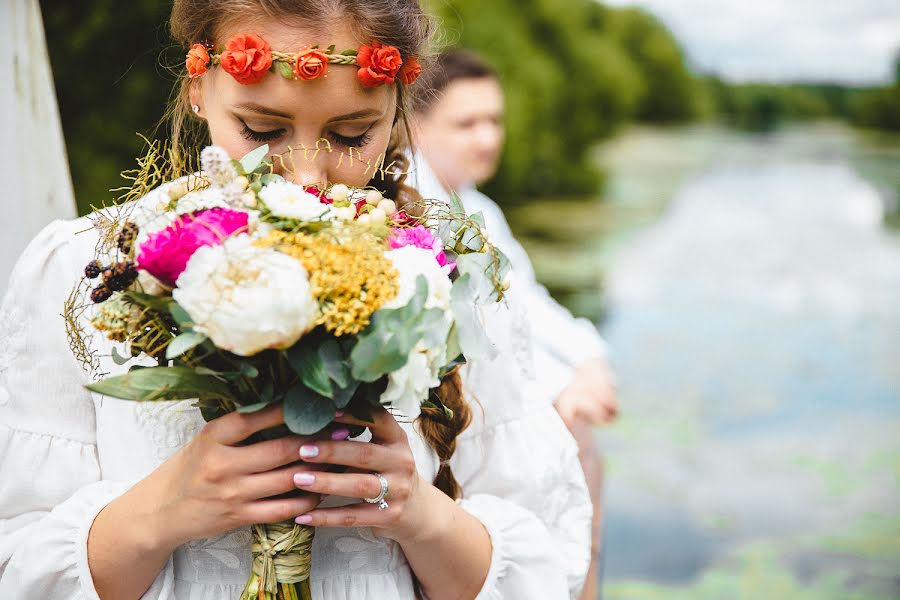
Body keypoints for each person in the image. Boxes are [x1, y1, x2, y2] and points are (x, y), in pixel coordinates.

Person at [0, 2, 592, 599]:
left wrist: (422, 516)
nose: (307, 176)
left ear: (395, 112)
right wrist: (163, 510)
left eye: (351, 134)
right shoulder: (77, 274)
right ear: (198, 88)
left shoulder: (452, 281)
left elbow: (547, 566)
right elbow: (16, 568)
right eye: (261, 130)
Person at [410, 49, 619, 600]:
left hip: (492, 397)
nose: (488, 138)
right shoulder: (412, 209)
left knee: (578, 439)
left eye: (494, 121)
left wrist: (587, 358)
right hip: (446, 411)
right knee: (571, 441)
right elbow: (481, 343)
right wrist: (561, 389)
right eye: (467, 123)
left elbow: (527, 303)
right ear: (416, 125)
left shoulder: (480, 207)